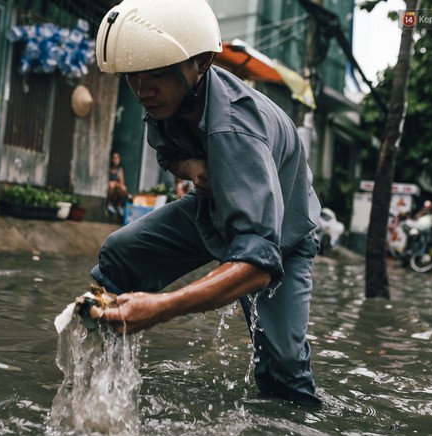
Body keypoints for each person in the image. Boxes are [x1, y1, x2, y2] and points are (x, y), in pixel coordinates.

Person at [90, 0, 322, 406]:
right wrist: (192, 165)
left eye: (157, 75)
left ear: (201, 63)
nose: (143, 89)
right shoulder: (165, 101)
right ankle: (102, 387)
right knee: (119, 256)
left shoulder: (235, 128)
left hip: (280, 236)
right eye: (133, 77)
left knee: (283, 366)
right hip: (210, 211)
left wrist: (159, 307)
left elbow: (256, 265)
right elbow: (167, 156)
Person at [107, 151, 128, 216]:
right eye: (114, 158)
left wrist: (116, 184)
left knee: (123, 188)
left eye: (117, 158)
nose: (116, 160)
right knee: (111, 185)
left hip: (117, 187)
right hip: (110, 188)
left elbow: (121, 182)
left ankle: (119, 206)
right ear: (112, 159)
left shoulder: (120, 170)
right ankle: (109, 204)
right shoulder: (108, 168)